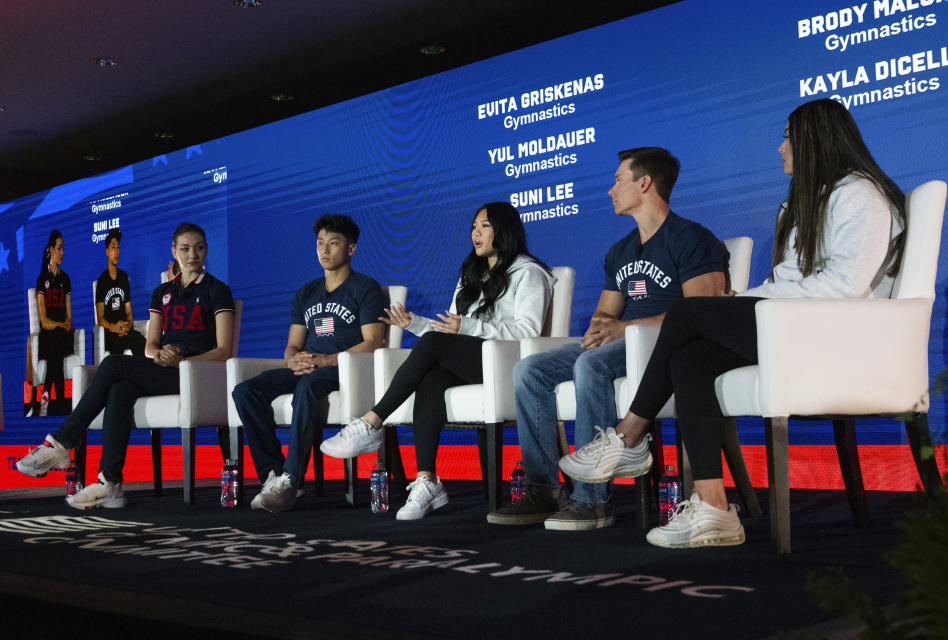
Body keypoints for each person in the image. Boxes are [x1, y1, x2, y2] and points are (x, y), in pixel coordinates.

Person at [561, 98, 907, 547]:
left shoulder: (860, 194)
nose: (781, 148)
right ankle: (714, 508)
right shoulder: (807, 203)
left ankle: (628, 437)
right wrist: (747, 299)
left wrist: (751, 300)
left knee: (688, 311)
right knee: (689, 358)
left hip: (830, 335)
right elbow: (791, 280)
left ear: (813, 141)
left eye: (787, 137)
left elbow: (843, 285)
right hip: (793, 324)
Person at [487, 147, 729, 531]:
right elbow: (605, 315)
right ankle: (543, 487)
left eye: (619, 179)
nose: (611, 189)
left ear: (645, 183)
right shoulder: (620, 251)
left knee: (591, 363)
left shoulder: (692, 238)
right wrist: (604, 329)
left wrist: (625, 329)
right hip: (625, 343)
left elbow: (705, 313)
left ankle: (591, 499)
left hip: (664, 345)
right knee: (530, 369)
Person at [321, 202, 555, 520]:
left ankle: (372, 422)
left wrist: (467, 327)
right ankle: (427, 479)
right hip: (474, 361)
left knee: (433, 347)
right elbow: (448, 332)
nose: (476, 232)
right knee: (430, 378)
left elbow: (528, 331)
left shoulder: (528, 272)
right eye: (473, 226)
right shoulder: (471, 274)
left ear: (505, 230)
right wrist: (413, 323)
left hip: (510, 364)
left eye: (484, 226)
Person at [16, 222, 235, 509]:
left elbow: (224, 350)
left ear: (206, 250)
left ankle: (60, 443)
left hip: (198, 374)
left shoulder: (217, 290)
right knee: (120, 389)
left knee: (113, 365)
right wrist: (159, 355)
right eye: (185, 248)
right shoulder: (162, 293)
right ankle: (111, 483)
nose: (193, 254)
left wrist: (184, 361)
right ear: (174, 251)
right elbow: (150, 345)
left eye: (199, 248)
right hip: (167, 370)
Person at [232, 215, 384, 512]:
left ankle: (291, 479)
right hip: (308, 368)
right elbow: (292, 345)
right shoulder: (305, 293)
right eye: (320, 243)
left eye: (333, 243)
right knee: (245, 391)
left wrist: (326, 359)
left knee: (309, 385)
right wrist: (293, 361)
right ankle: (272, 476)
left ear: (351, 248)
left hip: (344, 370)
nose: (324, 250)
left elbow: (373, 342)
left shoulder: (365, 288)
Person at [34, 230, 75, 416]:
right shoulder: (42, 280)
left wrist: (67, 324)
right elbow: (43, 322)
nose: (63, 253)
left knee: (57, 346)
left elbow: (69, 316)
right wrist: (60, 325)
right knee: (54, 347)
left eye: (63, 248)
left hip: (61, 337)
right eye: (59, 248)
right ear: (51, 250)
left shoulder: (65, 279)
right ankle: (60, 403)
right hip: (48, 336)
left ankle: (46, 396)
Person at [95, 228, 147, 358]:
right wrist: (113, 327)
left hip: (125, 331)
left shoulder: (124, 277)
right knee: (117, 350)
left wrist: (127, 326)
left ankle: (144, 377)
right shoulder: (102, 281)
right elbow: (100, 319)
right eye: (113, 248)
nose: (116, 252)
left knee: (143, 343)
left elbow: (128, 312)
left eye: (118, 248)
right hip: (110, 334)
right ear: (107, 251)